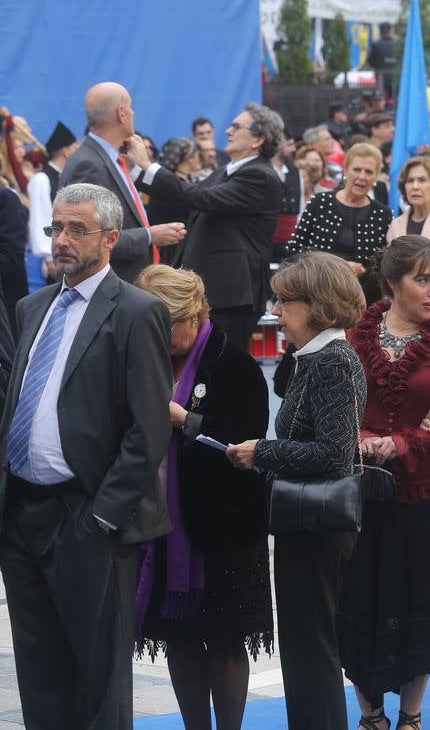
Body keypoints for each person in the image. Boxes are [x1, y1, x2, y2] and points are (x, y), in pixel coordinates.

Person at [0, 182, 171, 729]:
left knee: (98, 676)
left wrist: (102, 516)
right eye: (56, 228)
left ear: (111, 238)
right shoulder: (31, 307)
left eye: (78, 229)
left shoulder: (137, 311)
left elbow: (148, 429)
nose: (63, 240)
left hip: (88, 514)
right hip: (24, 511)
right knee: (38, 665)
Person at [341, 237, 430, 730]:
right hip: (362, 494)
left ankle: (411, 717)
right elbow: (336, 406)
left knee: (421, 599)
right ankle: (370, 715)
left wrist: (402, 442)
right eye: (423, 279)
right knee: (362, 597)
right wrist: (359, 437)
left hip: (426, 496)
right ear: (393, 283)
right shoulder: (356, 336)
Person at [224, 252, 364, 728]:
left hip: (318, 524)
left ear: (318, 304)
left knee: (312, 648)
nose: (277, 312)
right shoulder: (314, 357)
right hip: (304, 520)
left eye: (285, 301)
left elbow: (333, 454)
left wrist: (261, 451)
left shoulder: (332, 361)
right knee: (304, 647)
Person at [133, 265, 273, 730]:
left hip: (222, 529)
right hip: (164, 526)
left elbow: (246, 444)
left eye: (163, 325)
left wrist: (184, 421)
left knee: (225, 639)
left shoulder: (233, 364)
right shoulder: (146, 359)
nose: (154, 334)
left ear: (193, 315)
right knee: (180, 637)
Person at [129, 104, 285, 352]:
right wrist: (136, 168)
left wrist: (147, 165)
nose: (227, 131)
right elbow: (188, 197)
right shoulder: (225, 171)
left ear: (258, 139)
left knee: (220, 373)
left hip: (231, 296)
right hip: (211, 292)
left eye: (236, 126)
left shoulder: (260, 176)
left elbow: (198, 197)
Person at [61, 82, 186, 281]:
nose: (133, 113)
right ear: (121, 113)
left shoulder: (108, 158)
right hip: (111, 287)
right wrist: (149, 235)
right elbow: (88, 237)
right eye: (130, 107)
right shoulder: (89, 164)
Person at [287, 143, 394, 303]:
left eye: (369, 172)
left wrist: (363, 270)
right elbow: (293, 251)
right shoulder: (320, 202)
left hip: (359, 301)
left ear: (376, 176)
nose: (362, 177)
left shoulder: (382, 214)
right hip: (315, 295)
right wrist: (338, 266)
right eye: (357, 169)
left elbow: (381, 268)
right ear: (345, 170)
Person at [26, 121, 80, 283]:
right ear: (65, 151)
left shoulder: (65, 176)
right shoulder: (42, 179)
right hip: (52, 257)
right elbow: (40, 218)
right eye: (74, 147)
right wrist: (49, 258)